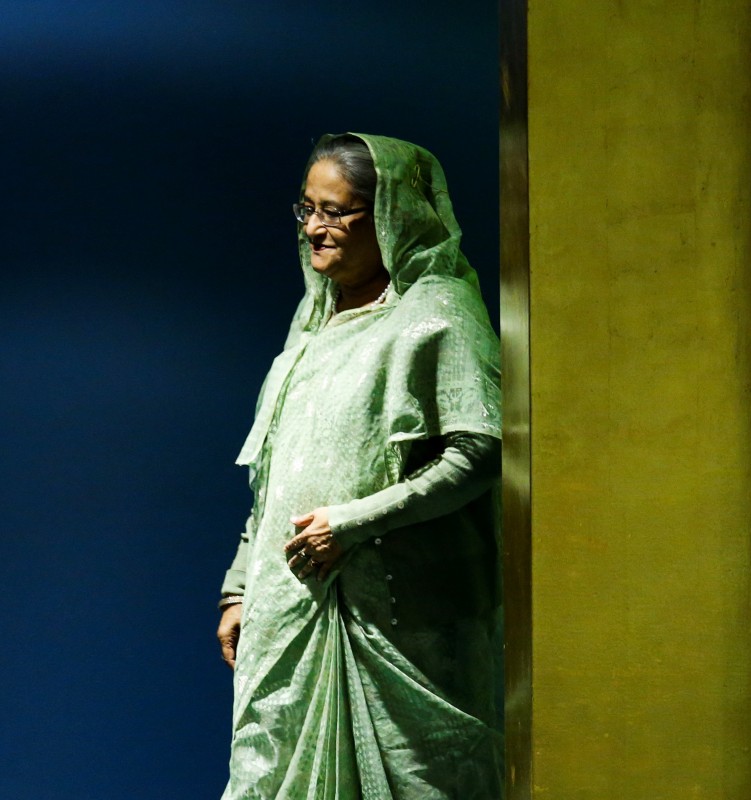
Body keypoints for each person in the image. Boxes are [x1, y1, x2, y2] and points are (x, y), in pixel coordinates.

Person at [215, 133, 503, 799]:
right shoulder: (310, 327)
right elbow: (275, 471)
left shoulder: (435, 313)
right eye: (307, 210)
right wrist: (239, 584)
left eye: (337, 212)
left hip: (392, 621)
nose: (316, 228)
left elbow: (481, 449)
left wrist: (353, 521)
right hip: (290, 610)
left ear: (391, 215)